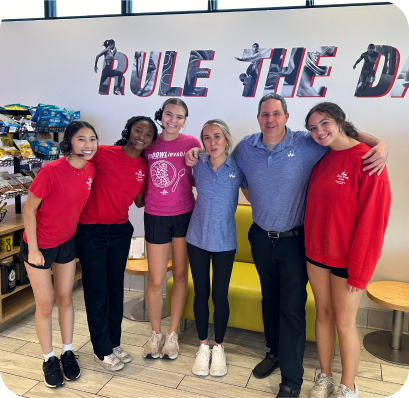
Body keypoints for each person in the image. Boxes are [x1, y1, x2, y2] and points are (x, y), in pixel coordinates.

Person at [185, 93, 388, 398]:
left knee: (291, 308)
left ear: (286, 117)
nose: (270, 120)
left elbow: (341, 135)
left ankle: (291, 381)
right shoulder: (246, 148)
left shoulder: (307, 143)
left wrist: (379, 144)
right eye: (265, 114)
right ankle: (274, 352)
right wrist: (194, 152)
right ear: (258, 118)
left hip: (295, 241)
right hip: (260, 237)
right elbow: (220, 157)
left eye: (276, 114)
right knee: (270, 299)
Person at [303, 102, 391, 398]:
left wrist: (361, 270)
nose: (319, 131)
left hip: (348, 260)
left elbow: (374, 220)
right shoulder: (321, 158)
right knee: (323, 315)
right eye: (313, 128)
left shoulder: (369, 159)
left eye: (324, 123)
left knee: (344, 322)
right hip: (316, 254)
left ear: (339, 121)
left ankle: (348, 385)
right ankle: (324, 376)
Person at [75, 116, 157, 371]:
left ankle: (114, 342)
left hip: (121, 231)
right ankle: (102, 349)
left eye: (148, 134)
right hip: (91, 231)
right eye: (137, 130)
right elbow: (78, 173)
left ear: (152, 140)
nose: (141, 136)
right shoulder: (104, 153)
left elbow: (140, 202)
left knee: (115, 290)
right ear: (128, 131)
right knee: (97, 291)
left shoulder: (144, 166)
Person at [21, 121, 97, 388]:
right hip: (39, 245)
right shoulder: (51, 170)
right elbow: (29, 210)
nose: (88, 145)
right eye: (81, 139)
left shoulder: (90, 169)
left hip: (66, 243)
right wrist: (33, 249)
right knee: (45, 303)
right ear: (69, 143)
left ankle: (67, 351)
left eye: (92, 139)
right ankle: (49, 358)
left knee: (66, 298)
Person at [186, 119, 247, 377]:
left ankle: (219, 347)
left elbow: (256, 192)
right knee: (201, 293)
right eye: (207, 138)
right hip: (196, 239)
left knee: (219, 295)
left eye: (217, 137)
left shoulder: (239, 167)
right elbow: (182, 183)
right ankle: (202, 346)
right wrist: (192, 154)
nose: (212, 142)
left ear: (227, 139)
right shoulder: (197, 164)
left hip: (224, 242)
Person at [142, 98, 201, 360]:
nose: (173, 120)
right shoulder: (149, 143)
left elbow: (203, 176)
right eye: (169, 114)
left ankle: (173, 333)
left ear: (185, 120)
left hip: (184, 215)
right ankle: (155, 334)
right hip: (155, 215)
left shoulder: (192, 144)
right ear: (161, 115)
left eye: (179, 116)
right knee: (155, 279)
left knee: (179, 275)